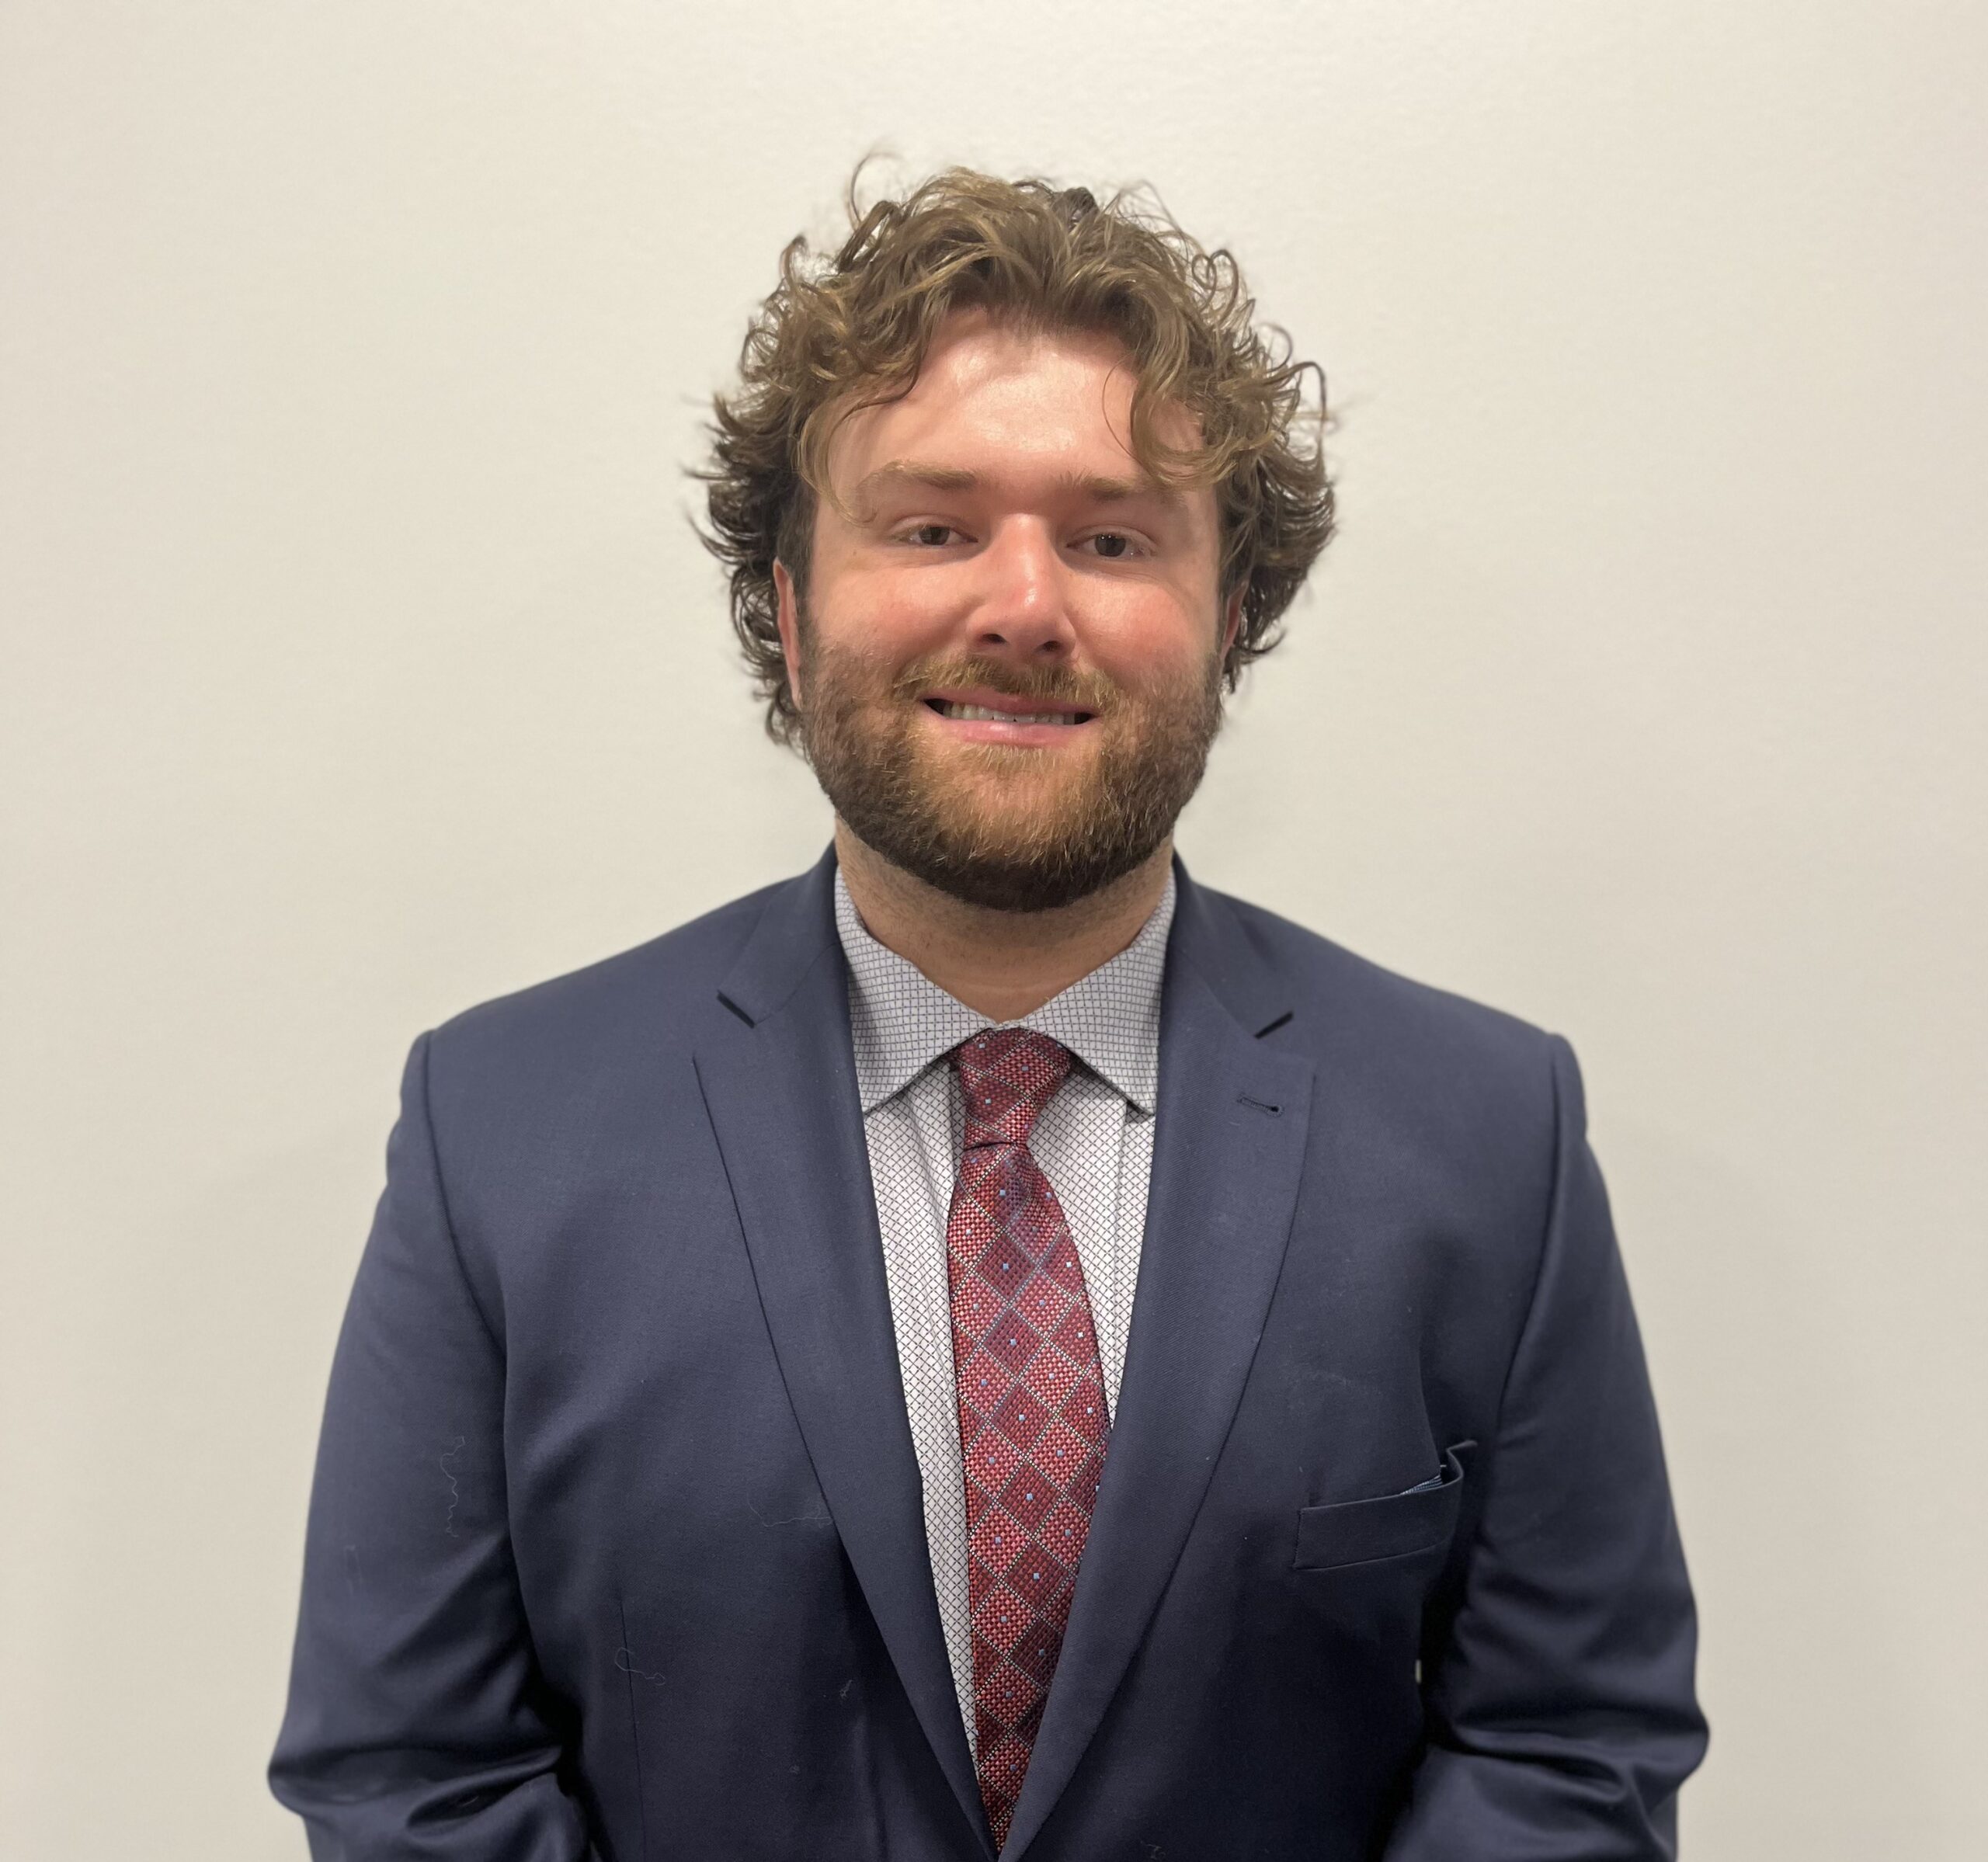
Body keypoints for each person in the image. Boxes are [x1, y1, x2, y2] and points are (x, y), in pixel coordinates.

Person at [270, 168, 1706, 1860]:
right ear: (792, 614)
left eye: (1109, 538)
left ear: (1227, 619)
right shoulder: (498, 1127)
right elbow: (409, 1771)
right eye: (933, 525)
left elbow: (1563, 1743)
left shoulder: (1483, 1131)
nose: (1022, 605)